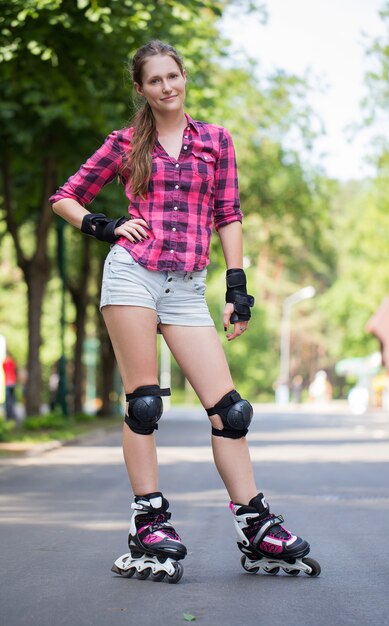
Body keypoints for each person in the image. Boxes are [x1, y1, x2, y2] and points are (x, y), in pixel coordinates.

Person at [49, 40, 318, 582]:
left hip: (188, 287)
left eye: (173, 76)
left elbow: (228, 212)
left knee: (231, 411)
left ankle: (256, 524)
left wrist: (237, 285)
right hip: (133, 275)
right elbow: (65, 196)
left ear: (183, 77)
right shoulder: (124, 143)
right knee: (145, 404)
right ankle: (149, 520)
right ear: (141, 89)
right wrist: (104, 226)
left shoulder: (216, 141)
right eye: (155, 80)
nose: (167, 87)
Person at [2, 351, 17, 421]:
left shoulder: (5, 362)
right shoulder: (12, 362)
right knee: (11, 399)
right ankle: (11, 414)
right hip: (12, 382)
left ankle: (9, 414)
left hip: (8, 383)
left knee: (8, 400)